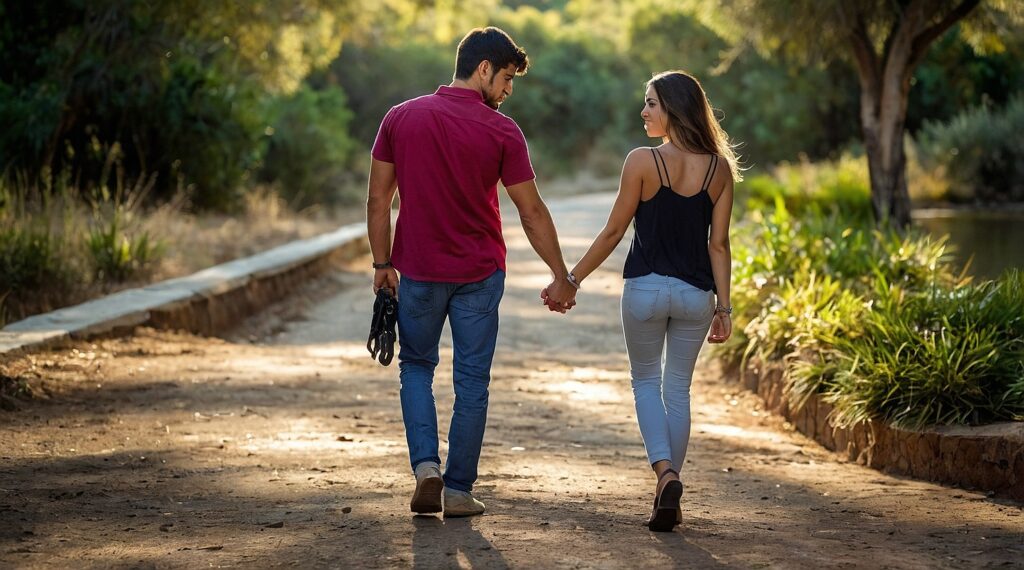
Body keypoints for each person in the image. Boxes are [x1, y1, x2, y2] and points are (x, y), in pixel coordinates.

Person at [366, 27, 577, 518]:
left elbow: (379, 201)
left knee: (416, 369)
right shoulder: (503, 131)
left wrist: (383, 264)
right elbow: (532, 212)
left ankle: (426, 469)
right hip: (480, 274)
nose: (507, 91)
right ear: (483, 68)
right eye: (505, 78)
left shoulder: (400, 117)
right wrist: (561, 274)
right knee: (473, 382)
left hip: (417, 271)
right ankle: (458, 490)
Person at [549, 70, 740, 531]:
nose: (644, 111)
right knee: (678, 390)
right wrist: (725, 308)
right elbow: (719, 245)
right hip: (697, 295)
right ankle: (668, 493)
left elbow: (614, 232)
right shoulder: (719, 170)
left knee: (644, 383)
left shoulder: (641, 161)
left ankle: (665, 475)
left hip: (646, 292)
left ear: (673, 108)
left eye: (651, 103)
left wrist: (570, 279)